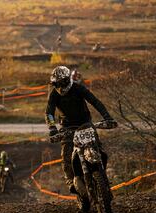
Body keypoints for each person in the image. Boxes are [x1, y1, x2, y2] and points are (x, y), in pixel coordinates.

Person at [45, 66, 116, 194]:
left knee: (99, 149)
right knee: (67, 152)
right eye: (57, 84)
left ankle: (102, 175)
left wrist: (107, 117)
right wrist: (52, 128)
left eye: (63, 82)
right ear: (54, 84)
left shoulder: (78, 88)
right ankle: (70, 180)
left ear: (68, 80)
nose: (60, 86)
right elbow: (49, 112)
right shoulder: (54, 94)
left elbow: (95, 101)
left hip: (85, 124)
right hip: (67, 127)